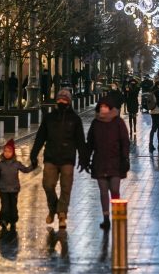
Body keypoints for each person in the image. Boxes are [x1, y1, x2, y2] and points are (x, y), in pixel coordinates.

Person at [30, 88, 87, 229]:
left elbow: (80, 140)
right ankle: (53, 208)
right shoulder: (49, 118)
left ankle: (62, 213)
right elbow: (40, 137)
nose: (61, 101)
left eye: (64, 99)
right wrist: (33, 154)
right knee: (48, 185)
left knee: (66, 187)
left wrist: (83, 158)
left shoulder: (75, 119)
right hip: (51, 156)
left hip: (68, 158)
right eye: (59, 99)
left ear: (68, 101)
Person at [85, 99, 130, 231]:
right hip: (99, 162)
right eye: (101, 107)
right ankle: (106, 218)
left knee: (114, 189)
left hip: (115, 162)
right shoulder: (95, 123)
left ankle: (116, 214)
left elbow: (125, 141)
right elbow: (90, 142)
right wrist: (86, 159)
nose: (103, 109)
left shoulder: (118, 122)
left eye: (106, 106)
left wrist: (125, 158)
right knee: (103, 191)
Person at [0, 139, 34, 233]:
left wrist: (33, 165)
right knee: (5, 206)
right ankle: (3, 220)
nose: (7, 153)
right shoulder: (0, 165)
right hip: (3, 189)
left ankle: (13, 220)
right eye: (5, 151)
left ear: (13, 152)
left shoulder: (16, 164)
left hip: (14, 189)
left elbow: (25, 170)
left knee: (13, 206)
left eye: (9, 151)